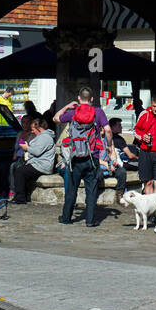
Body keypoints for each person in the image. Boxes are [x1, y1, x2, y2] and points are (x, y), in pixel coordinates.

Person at [53, 86, 113, 227]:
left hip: (75, 158)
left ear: (79, 99)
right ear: (92, 99)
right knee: (91, 190)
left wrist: (67, 106)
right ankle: (90, 220)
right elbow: (108, 130)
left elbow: (55, 118)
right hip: (92, 157)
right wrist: (109, 146)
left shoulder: (73, 112)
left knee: (71, 189)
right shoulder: (98, 112)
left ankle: (66, 218)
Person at [12, 116, 56, 203]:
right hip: (36, 163)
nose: (32, 131)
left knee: (19, 171)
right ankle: (24, 196)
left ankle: (20, 198)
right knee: (17, 167)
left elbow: (36, 151)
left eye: (33, 129)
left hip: (41, 165)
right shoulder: (41, 136)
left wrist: (27, 147)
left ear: (39, 128)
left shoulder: (45, 137)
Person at [134, 95, 156, 195]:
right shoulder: (144, 114)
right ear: (151, 105)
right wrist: (142, 136)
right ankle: (150, 209)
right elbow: (135, 131)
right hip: (145, 152)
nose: (155, 109)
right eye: (154, 106)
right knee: (148, 182)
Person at [105, 117, 138, 202]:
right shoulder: (119, 139)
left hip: (108, 163)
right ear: (112, 127)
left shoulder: (104, 138)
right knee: (141, 165)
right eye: (119, 126)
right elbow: (130, 156)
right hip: (119, 164)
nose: (121, 127)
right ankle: (120, 194)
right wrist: (139, 158)